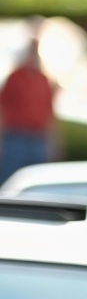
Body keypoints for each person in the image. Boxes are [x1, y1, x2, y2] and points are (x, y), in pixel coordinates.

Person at [0, 28, 58, 183]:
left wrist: (53, 142)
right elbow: (3, 108)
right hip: (16, 137)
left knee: (36, 179)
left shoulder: (44, 80)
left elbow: (50, 114)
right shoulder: (15, 78)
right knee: (10, 178)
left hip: (38, 138)